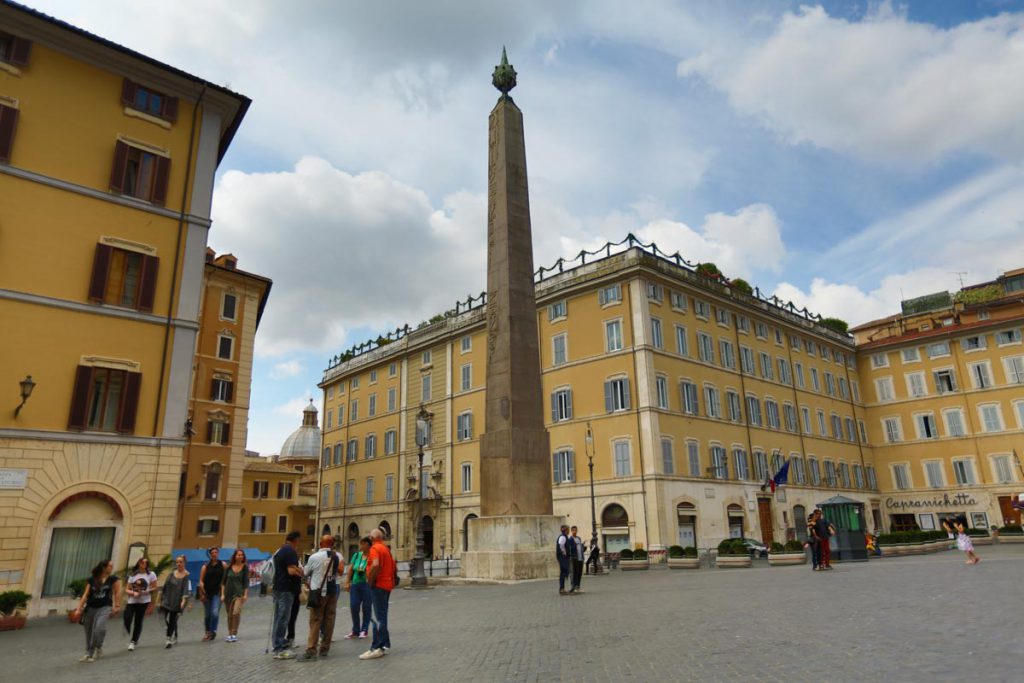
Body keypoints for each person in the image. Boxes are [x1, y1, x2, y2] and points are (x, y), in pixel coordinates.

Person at [300, 534, 343, 660]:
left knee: (315, 620)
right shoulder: (337, 556)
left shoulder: (314, 557)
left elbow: (305, 573)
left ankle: (311, 650)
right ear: (332, 544)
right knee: (329, 620)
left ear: (320, 544)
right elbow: (339, 571)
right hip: (332, 591)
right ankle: (325, 648)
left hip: (318, 592)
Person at [72, 559, 122, 662]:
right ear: (104, 567)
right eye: (110, 566)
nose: (112, 568)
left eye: (112, 566)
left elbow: (117, 592)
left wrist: (117, 606)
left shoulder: (113, 579)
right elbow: (85, 595)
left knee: (100, 628)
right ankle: (89, 653)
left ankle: (98, 646)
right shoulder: (92, 579)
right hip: (91, 607)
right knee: (89, 631)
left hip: (105, 607)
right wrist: (78, 609)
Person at [359, 527, 395, 660]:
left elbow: (375, 564)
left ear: (372, 538)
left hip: (378, 585)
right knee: (382, 615)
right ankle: (385, 643)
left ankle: (377, 647)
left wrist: (370, 578)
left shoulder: (374, 549)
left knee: (378, 617)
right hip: (387, 585)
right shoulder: (386, 549)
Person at [271, 531, 304, 660]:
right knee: (283, 618)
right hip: (286, 589)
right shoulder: (290, 551)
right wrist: (300, 572)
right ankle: (279, 648)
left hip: (278, 587)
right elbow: (291, 570)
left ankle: (277, 643)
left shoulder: (280, 550)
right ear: (295, 540)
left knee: (278, 617)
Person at [123, 556, 157, 651]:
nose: (143, 563)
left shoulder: (151, 574)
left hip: (144, 601)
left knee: (138, 621)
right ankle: (127, 628)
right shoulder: (133, 575)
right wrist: (133, 593)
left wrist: (146, 592)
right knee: (127, 617)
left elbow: (155, 587)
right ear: (138, 563)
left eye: (145, 562)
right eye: (141, 562)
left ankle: (133, 641)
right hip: (132, 601)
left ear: (147, 565)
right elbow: (127, 589)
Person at [158, 555, 191, 648]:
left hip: (177, 601)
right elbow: (165, 585)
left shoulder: (186, 575)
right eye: (177, 562)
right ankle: (172, 631)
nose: (178, 564)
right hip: (167, 599)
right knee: (162, 617)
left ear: (184, 562)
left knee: (172, 620)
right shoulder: (172, 573)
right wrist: (161, 597)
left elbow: (185, 589)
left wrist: (184, 602)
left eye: (180, 562)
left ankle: (168, 639)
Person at [343, 536, 372, 640]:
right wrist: (347, 582)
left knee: (366, 608)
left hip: (367, 585)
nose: (360, 546)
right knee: (354, 607)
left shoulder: (372, 556)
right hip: (355, 585)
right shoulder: (356, 555)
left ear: (367, 545)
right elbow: (351, 569)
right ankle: (355, 630)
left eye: (362, 544)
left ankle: (364, 630)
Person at [198, 546, 226, 641]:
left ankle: (213, 630)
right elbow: (201, 580)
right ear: (210, 555)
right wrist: (201, 589)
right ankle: (207, 632)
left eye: (215, 552)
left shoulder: (223, 564)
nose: (214, 554)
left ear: (218, 553)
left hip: (217, 592)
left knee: (214, 613)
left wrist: (224, 592)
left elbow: (227, 577)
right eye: (212, 553)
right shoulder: (205, 566)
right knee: (207, 614)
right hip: (207, 593)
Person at [221, 549, 248, 642]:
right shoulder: (228, 568)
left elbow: (246, 583)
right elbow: (223, 582)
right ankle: (230, 633)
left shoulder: (245, 568)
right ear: (234, 556)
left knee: (236, 613)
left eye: (241, 555)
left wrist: (245, 595)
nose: (240, 556)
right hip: (228, 594)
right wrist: (222, 594)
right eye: (238, 555)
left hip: (239, 594)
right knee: (229, 615)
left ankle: (234, 633)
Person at [555, 524, 571, 595]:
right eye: (568, 529)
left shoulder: (563, 536)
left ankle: (562, 588)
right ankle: (561, 589)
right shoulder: (563, 537)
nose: (569, 531)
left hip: (562, 556)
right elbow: (561, 545)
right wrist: (564, 553)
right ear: (566, 530)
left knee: (563, 572)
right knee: (563, 572)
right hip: (562, 557)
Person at [569, 526, 585, 593]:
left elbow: (580, 548)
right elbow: (570, 549)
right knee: (574, 573)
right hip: (574, 558)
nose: (575, 531)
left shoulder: (579, 538)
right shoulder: (570, 539)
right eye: (574, 530)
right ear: (571, 531)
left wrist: (582, 546)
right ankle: (574, 586)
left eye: (576, 530)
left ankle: (578, 586)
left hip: (580, 558)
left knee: (579, 573)